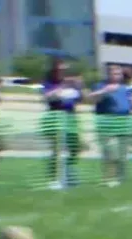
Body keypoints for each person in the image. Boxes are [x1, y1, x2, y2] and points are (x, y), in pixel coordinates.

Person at [41, 58, 84, 190]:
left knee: (74, 147)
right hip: (55, 119)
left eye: (64, 70)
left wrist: (78, 87)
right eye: (59, 70)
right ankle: (55, 178)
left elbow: (80, 98)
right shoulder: (49, 83)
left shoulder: (72, 84)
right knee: (57, 150)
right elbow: (47, 97)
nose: (62, 72)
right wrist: (62, 86)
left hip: (70, 118)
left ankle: (69, 173)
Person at [89, 64, 132, 187]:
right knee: (109, 152)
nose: (117, 76)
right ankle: (108, 178)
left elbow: (128, 103)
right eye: (114, 73)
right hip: (106, 123)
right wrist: (105, 91)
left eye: (118, 74)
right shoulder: (100, 86)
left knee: (122, 154)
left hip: (124, 123)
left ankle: (120, 179)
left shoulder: (125, 88)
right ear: (108, 74)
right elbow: (91, 98)